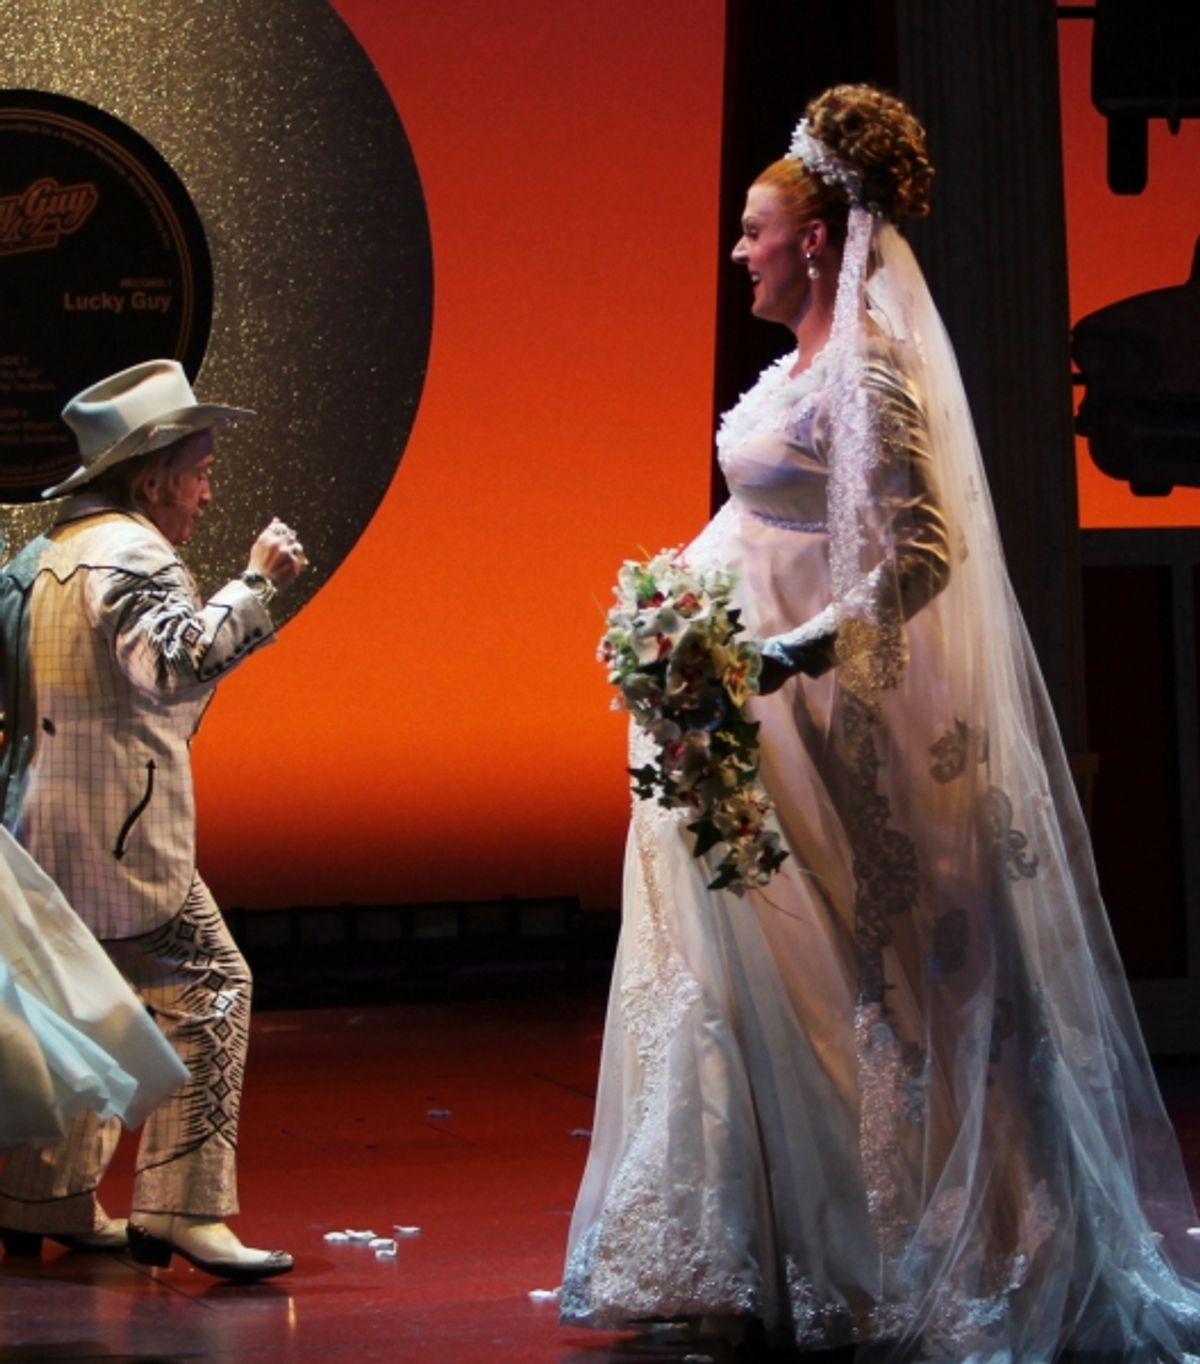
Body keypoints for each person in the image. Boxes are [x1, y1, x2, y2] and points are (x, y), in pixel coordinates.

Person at [561, 85, 1200, 1361]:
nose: (737, 252)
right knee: (734, 963)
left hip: (816, 715)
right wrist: (675, 628)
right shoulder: (795, 366)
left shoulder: (871, 368)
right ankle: (759, 1241)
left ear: (812, 239)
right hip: (737, 713)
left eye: (753, 231)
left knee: (863, 971)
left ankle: (887, 1246)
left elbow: (923, 551)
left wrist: (795, 647)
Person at [0, 359, 304, 1281]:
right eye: (202, 470)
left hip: (39, 830)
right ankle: (181, 1208)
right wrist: (256, 583)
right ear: (152, 475)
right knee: (211, 985)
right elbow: (175, 663)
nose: (208, 492)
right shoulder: (130, 550)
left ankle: (38, 1197)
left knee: (83, 1004)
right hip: (118, 837)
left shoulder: (39, 555)